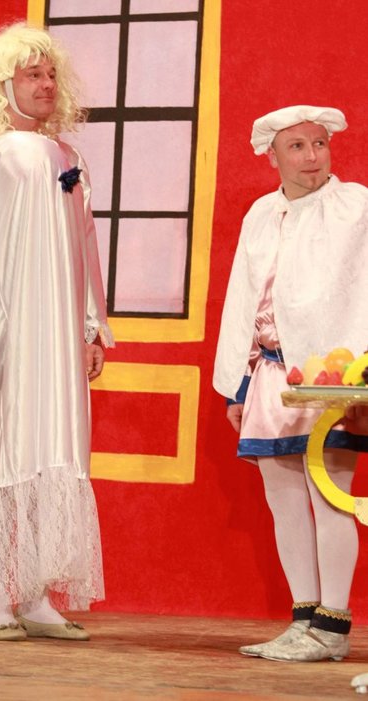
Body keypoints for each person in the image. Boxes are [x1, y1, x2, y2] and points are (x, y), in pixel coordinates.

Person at [0, 23, 114, 641]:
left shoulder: (68, 159)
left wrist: (90, 329)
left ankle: (37, 598)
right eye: (32, 74)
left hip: (58, 339)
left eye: (50, 74)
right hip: (6, 332)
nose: (45, 84)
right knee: (3, 454)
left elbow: (85, 248)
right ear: (4, 84)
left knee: (54, 454)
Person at [213, 105, 368, 662]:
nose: (311, 156)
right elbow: (244, 297)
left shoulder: (356, 206)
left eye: (319, 144)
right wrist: (238, 383)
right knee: (284, 500)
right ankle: (304, 620)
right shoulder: (261, 213)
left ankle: (333, 626)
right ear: (272, 156)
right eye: (297, 146)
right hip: (271, 374)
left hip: (333, 378)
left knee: (330, 497)